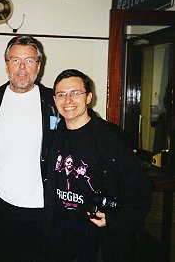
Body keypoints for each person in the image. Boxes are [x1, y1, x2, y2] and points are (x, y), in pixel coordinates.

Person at [47, 69, 152, 262]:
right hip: (60, 232)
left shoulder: (110, 138)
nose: (68, 100)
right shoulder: (52, 137)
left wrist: (114, 221)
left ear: (88, 97)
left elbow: (140, 189)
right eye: (61, 94)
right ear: (55, 100)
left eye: (75, 93)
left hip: (95, 235)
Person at [0, 35, 58, 261]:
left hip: (41, 209)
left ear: (39, 66)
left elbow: (85, 125)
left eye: (29, 60)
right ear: (6, 64)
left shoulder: (54, 102)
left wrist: (117, 145)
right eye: (15, 60)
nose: (22, 67)